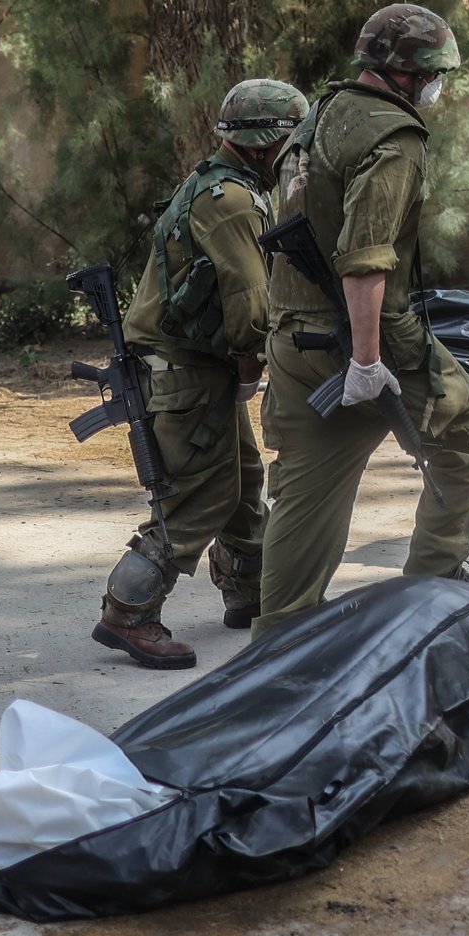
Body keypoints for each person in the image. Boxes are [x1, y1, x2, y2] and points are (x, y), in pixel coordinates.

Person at [253, 2, 469, 636]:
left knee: (307, 485)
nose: (440, 85)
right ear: (412, 73)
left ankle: (278, 634)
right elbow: (364, 261)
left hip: (292, 338)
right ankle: (429, 600)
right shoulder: (394, 137)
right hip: (359, 337)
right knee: (467, 425)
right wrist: (367, 360)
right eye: (437, 72)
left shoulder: (319, 117)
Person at [91, 79, 309, 669]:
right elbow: (250, 301)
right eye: (289, 146)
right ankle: (127, 613)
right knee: (196, 499)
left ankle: (248, 590)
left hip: (195, 364)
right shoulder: (232, 201)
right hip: (187, 371)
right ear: (267, 144)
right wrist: (250, 363)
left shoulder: (220, 185)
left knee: (240, 479)